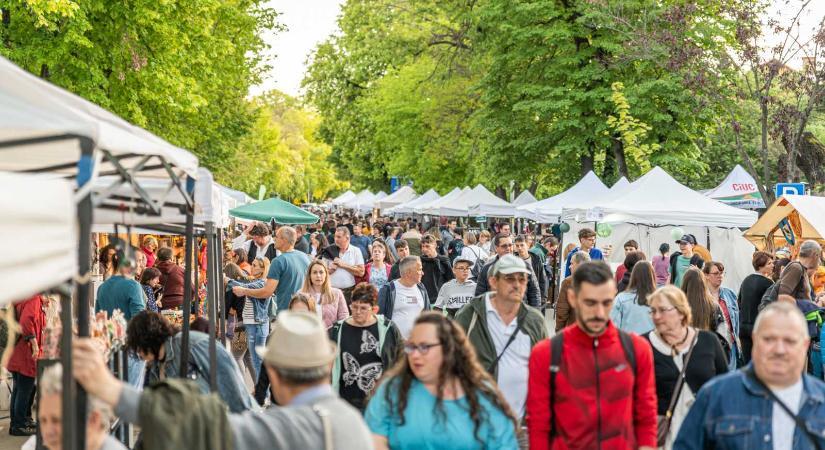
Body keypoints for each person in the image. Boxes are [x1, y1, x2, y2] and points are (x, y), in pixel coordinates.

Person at [72, 312, 373, 450]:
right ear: (328, 364)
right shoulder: (352, 422)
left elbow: (195, 423)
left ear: (275, 372)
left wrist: (106, 386)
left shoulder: (291, 426)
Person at [527, 261, 657, 450]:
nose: (599, 313)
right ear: (572, 298)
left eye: (606, 303)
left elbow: (646, 416)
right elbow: (538, 424)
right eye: (590, 303)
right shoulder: (545, 354)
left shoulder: (638, 350)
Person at [674, 302, 825, 450]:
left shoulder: (821, 401)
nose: (779, 349)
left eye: (790, 341)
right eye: (769, 339)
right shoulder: (715, 396)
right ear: (755, 339)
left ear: (805, 344)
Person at [365, 313, 519, 449]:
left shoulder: (483, 395)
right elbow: (374, 441)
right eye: (412, 347)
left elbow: (504, 444)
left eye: (424, 347)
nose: (415, 355)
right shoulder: (391, 390)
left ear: (448, 349)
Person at [455, 254, 547, 433]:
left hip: (522, 426)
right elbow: (452, 363)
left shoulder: (534, 320)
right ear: (493, 281)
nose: (517, 284)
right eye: (510, 278)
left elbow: (545, 368)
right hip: (477, 424)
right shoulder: (470, 315)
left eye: (522, 279)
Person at [644, 286, 728, 449]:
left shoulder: (708, 341)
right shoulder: (644, 346)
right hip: (663, 438)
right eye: (653, 311)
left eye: (662, 310)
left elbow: (724, 387)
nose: (656, 316)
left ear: (681, 312)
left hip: (703, 434)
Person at [127, 311, 256, 413]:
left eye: (138, 347)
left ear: (147, 341)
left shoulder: (192, 344)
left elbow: (232, 385)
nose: (139, 354)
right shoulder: (155, 368)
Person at [329, 283, 403, 412]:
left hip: (378, 403)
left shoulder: (388, 329)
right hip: (345, 403)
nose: (357, 312)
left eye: (363, 308)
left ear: (374, 309)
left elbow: (400, 362)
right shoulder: (337, 330)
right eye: (354, 307)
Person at [24, 363, 127, 450]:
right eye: (43, 420)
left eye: (57, 420)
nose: (47, 432)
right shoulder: (33, 446)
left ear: (94, 420)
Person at [232, 226, 311, 314]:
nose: (274, 239)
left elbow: (267, 292)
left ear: (284, 240)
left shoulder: (278, 261)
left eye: (276, 236)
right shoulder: (305, 257)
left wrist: (243, 291)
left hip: (286, 314)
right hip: (305, 310)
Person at [227, 257, 273, 378]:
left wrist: (227, 280)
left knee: (241, 357)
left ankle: (254, 390)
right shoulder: (254, 282)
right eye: (252, 264)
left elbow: (240, 287)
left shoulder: (261, 283)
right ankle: (258, 389)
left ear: (263, 269)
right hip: (247, 325)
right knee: (250, 358)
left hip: (248, 326)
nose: (251, 267)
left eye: (254, 265)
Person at [7, 295, 45, 436]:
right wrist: (34, 344)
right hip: (26, 352)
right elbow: (25, 322)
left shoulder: (23, 297)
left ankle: (18, 422)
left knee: (19, 388)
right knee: (24, 389)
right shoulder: (33, 299)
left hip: (16, 352)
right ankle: (19, 425)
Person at [475, 234, 541, 308]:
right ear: (496, 248)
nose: (508, 248)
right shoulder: (487, 269)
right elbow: (479, 295)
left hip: (520, 314)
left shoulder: (525, 266)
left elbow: (534, 293)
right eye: (504, 246)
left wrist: (534, 314)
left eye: (510, 245)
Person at [378, 256, 430, 339]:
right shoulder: (388, 290)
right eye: (419, 269)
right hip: (395, 345)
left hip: (417, 344)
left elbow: (428, 315)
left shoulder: (421, 288)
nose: (422, 273)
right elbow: (380, 318)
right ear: (409, 272)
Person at [738, 251, 775, 364]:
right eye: (769, 263)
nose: (773, 265)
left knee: (748, 364)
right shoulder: (768, 283)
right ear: (760, 266)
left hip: (743, 328)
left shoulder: (746, 280)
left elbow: (739, 302)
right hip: (759, 328)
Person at [703, 261, 741, 370]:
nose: (720, 276)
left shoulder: (730, 294)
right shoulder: (702, 297)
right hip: (710, 346)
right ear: (706, 275)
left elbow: (736, 321)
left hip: (730, 344)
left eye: (722, 273)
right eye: (716, 273)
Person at [321, 226, 366, 303]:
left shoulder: (356, 251)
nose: (336, 239)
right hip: (331, 290)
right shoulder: (329, 250)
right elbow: (321, 272)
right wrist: (330, 270)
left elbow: (361, 272)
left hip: (349, 292)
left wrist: (343, 265)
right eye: (335, 236)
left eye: (339, 237)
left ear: (347, 238)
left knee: (347, 314)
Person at [610, 260, 656, 335]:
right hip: (652, 343)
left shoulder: (621, 298)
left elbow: (613, 325)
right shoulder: (659, 299)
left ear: (633, 276)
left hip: (628, 343)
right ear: (652, 276)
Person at [301, 260, 349, 328]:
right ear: (309, 275)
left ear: (326, 274)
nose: (318, 275)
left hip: (330, 336)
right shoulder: (301, 294)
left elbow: (344, 317)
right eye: (314, 272)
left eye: (321, 272)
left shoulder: (337, 293)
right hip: (307, 335)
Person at [554, 251, 590, 333]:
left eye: (572, 263)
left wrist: (559, 331)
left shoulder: (569, 282)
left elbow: (562, 311)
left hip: (572, 331)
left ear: (580, 265)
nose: (570, 266)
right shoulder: (598, 281)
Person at [776, 240, 822, 304]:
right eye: (819, 256)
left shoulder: (802, 269)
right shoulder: (796, 267)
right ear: (815, 255)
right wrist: (808, 306)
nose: (819, 260)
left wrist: (816, 300)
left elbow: (801, 296)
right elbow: (782, 297)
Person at [419, 234, 454, 301]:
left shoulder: (444, 260)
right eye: (423, 246)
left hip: (440, 298)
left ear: (435, 245)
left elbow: (450, 279)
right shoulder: (419, 260)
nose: (424, 249)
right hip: (424, 297)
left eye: (427, 246)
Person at [515, 234, 548, 305]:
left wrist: (543, 298)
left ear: (528, 245)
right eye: (517, 246)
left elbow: (543, 280)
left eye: (522, 245)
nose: (519, 248)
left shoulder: (536, 259)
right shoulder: (513, 260)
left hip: (535, 297)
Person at [154, 246, 189, 311]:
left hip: (161, 304)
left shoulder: (153, 271)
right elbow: (191, 288)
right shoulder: (180, 270)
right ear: (171, 257)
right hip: (179, 303)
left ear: (158, 258)